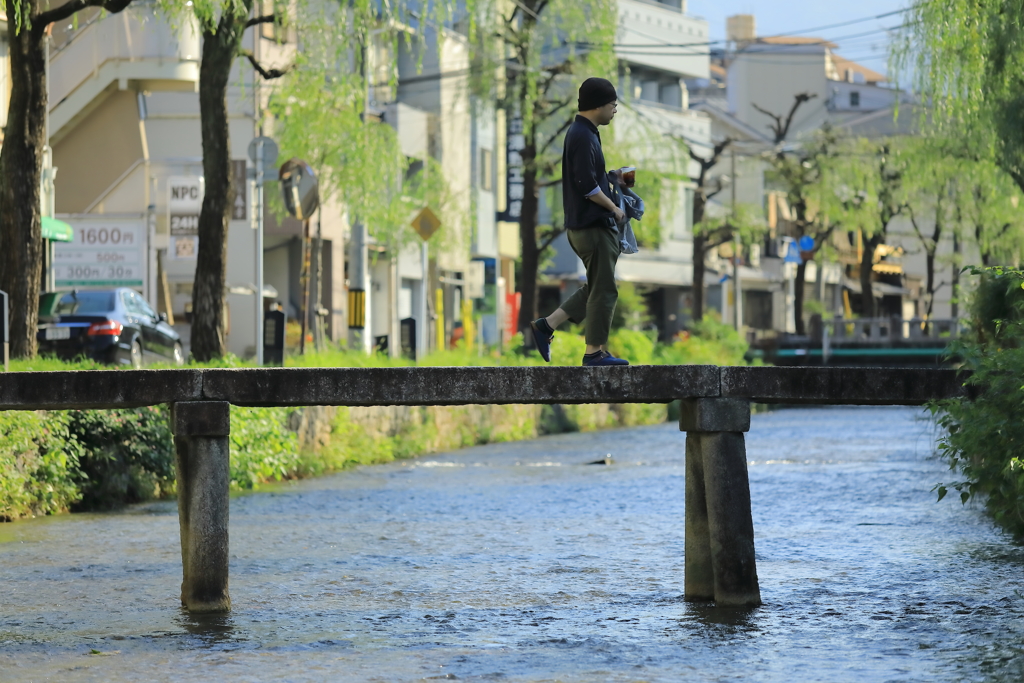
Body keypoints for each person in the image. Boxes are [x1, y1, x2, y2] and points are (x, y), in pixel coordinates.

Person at [530, 77, 630, 367]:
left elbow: (589, 179)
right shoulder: (583, 136)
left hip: (582, 226)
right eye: (613, 104)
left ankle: (546, 326)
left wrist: (611, 180)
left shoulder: (584, 132)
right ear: (599, 104)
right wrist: (615, 207)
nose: (615, 110)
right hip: (592, 226)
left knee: (597, 286)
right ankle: (593, 353)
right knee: (605, 289)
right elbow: (586, 186)